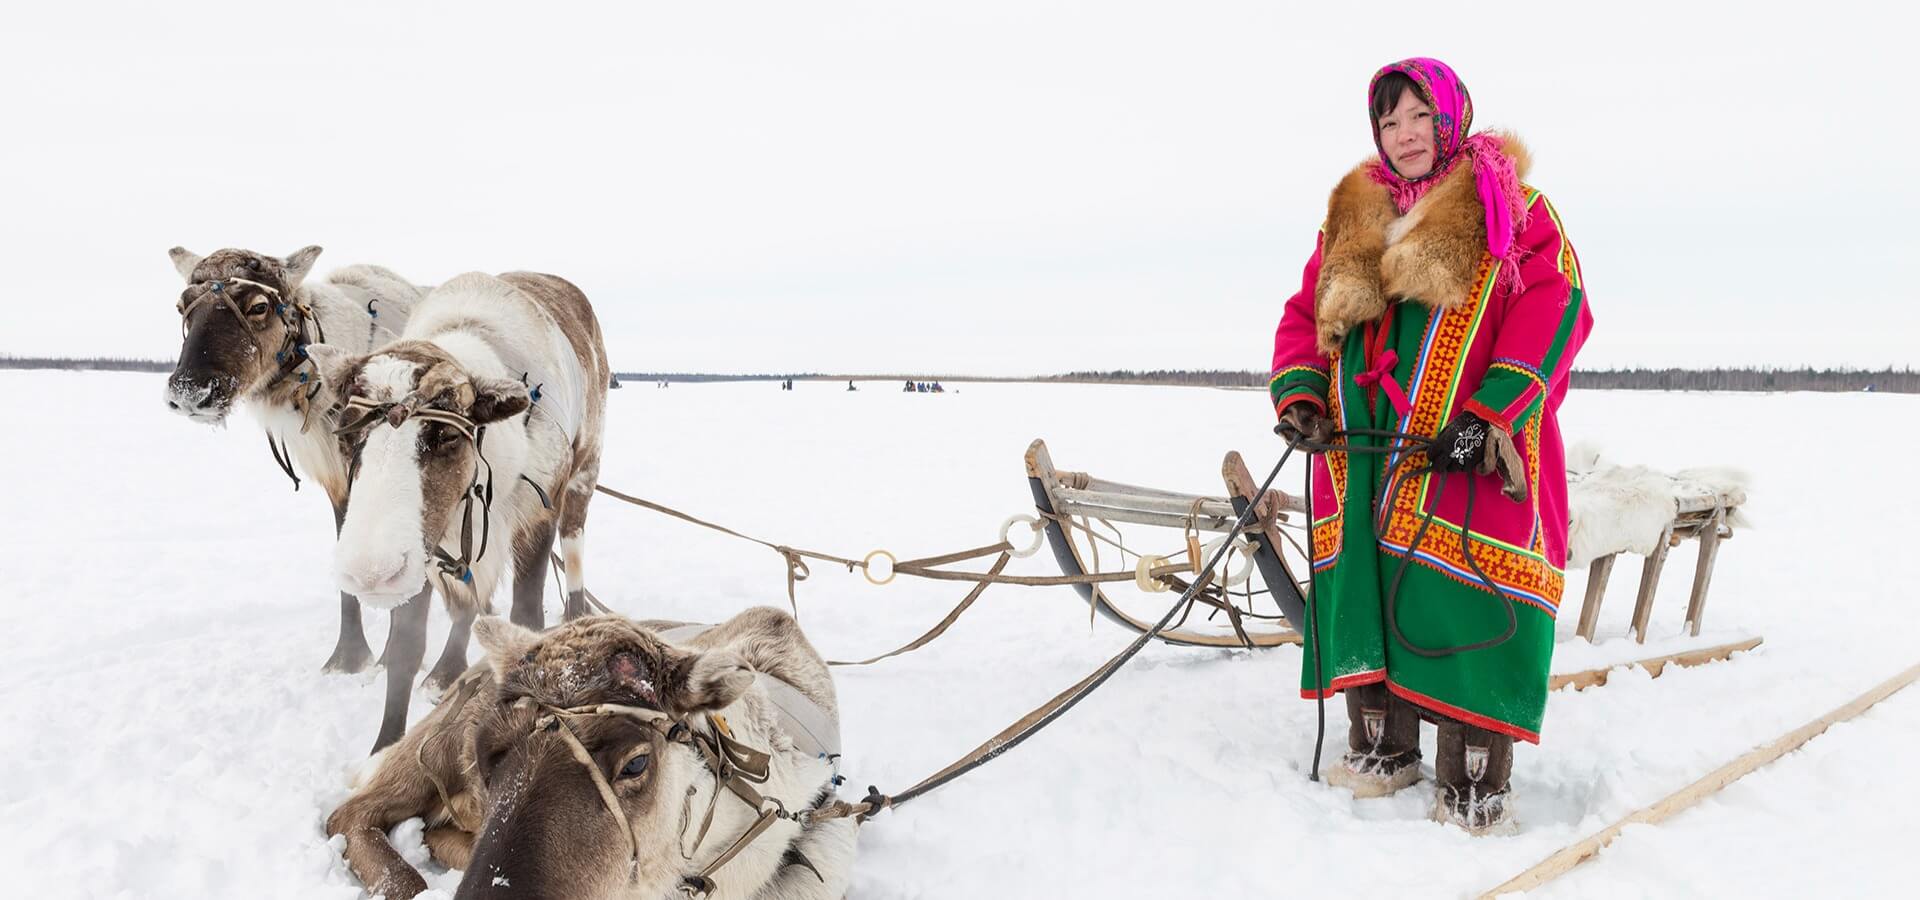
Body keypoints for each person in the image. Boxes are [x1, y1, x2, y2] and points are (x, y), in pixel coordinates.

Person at [1267, 57, 1592, 835]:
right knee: (1372, 585)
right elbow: (1304, 311)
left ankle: (1473, 776)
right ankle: (1383, 747)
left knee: (1462, 596)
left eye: (1418, 117)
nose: (1404, 135)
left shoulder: (1512, 206)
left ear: (1450, 118)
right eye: (1388, 122)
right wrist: (1304, 392)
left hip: (1469, 449)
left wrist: (1492, 413)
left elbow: (1557, 304)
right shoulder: (1352, 216)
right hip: (1364, 452)